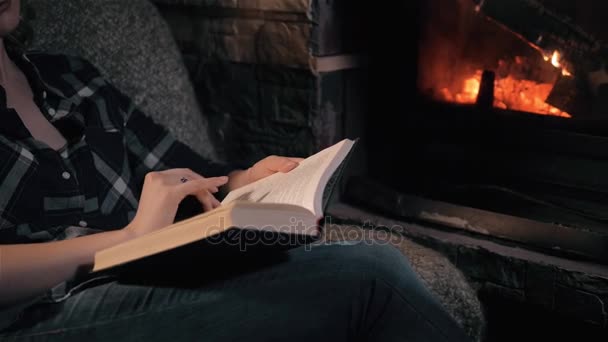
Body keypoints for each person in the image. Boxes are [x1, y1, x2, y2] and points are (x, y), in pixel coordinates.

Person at [0, 0, 470, 341]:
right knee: (371, 278)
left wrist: (246, 181)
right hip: (40, 313)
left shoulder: (72, 79)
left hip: (152, 276)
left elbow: (189, 171)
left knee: (376, 262)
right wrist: (129, 237)